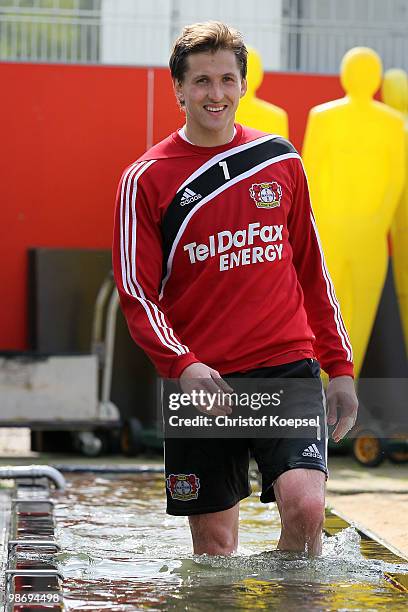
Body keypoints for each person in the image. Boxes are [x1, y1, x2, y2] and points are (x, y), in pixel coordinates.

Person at [112, 21, 358, 557]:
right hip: (202, 382)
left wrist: (339, 367)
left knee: (307, 507)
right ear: (178, 88)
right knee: (216, 551)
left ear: (243, 84)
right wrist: (183, 366)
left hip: (284, 365)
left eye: (227, 79)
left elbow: (312, 269)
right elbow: (135, 292)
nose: (215, 94)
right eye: (201, 81)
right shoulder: (145, 178)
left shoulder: (281, 160)